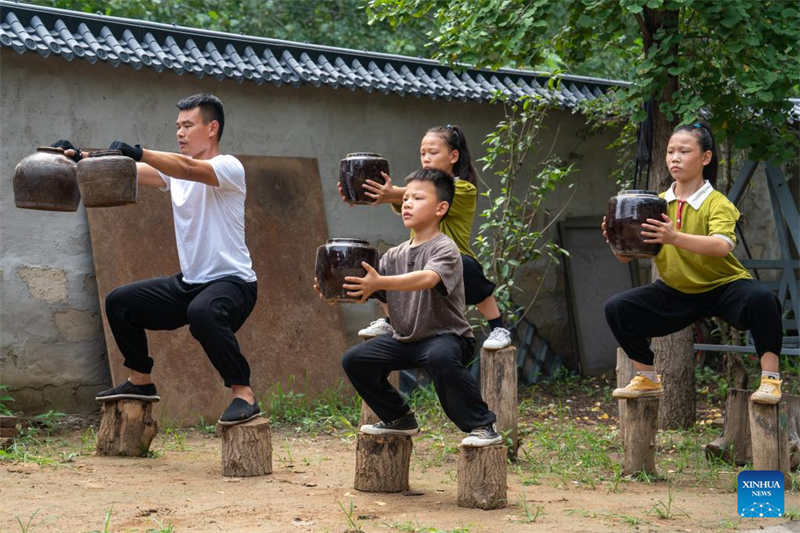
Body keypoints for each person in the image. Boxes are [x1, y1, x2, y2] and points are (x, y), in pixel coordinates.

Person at [52, 93, 260, 425]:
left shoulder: (228, 167)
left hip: (234, 284)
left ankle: (243, 394)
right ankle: (140, 381)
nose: (180, 132)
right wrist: (82, 157)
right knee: (121, 302)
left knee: (202, 312)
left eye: (188, 125)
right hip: (190, 284)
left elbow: (189, 168)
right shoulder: (174, 173)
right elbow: (126, 170)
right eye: (177, 126)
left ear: (212, 128)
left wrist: (141, 150)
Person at [603, 121, 783, 404]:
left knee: (763, 299)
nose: (675, 157)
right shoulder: (655, 203)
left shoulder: (717, 203)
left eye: (684, 151)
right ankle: (647, 377)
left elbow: (722, 246)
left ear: (705, 157)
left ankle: (770, 380)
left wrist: (674, 237)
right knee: (618, 309)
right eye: (670, 151)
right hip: (677, 290)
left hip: (723, 286)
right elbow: (628, 256)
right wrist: (616, 239)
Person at [323, 168, 501, 446]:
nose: (407, 203)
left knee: (439, 358)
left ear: (441, 208)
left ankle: (482, 426)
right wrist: (334, 290)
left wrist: (381, 281)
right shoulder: (394, 255)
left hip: (448, 337)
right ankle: (399, 418)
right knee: (355, 361)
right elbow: (372, 288)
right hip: (407, 340)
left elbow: (428, 278)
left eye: (417, 198)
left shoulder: (445, 248)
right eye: (405, 198)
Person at [340, 125, 511, 350]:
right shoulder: (415, 190)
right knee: (378, 267)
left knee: (464, 265)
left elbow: (412, 194)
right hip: (421, 262)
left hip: (453, 265)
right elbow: (393, 197)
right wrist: (360, 194)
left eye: (433, 152)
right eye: (422, 153)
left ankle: (499, 328)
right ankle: (391, 322)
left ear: (453, 156)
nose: (426, 158)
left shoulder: (464, 189)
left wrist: (396, 193)